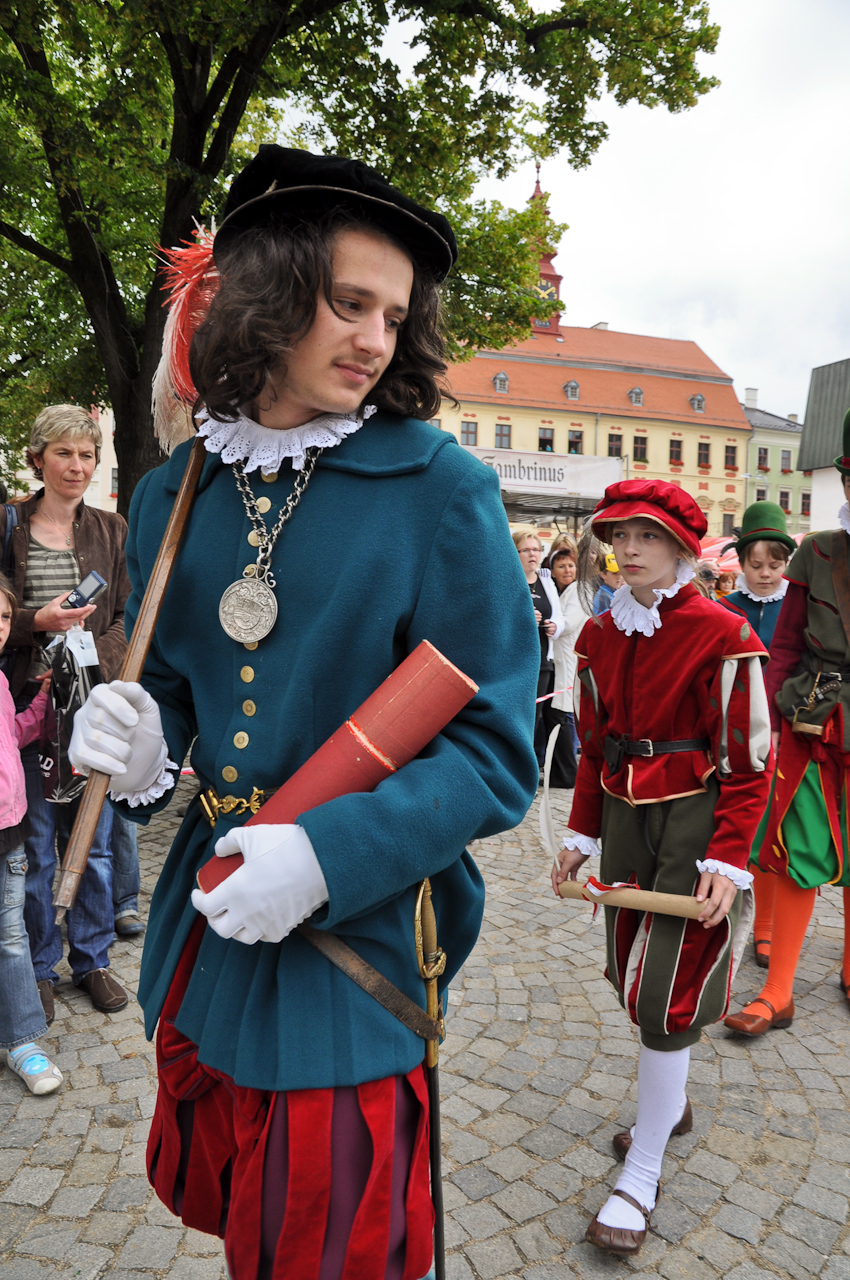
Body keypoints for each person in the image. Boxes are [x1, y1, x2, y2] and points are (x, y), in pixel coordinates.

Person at [69, 146, 539, 1280]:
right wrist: (142, 747)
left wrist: (329, 853)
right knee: (239, 1211)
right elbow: (174, 688)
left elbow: (493, 752)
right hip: (213, 917)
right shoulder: (173, 486)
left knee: (329, 1239)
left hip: (354, 936)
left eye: (394, 315)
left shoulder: (442, 489)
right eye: (348, 302)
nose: (375, 337)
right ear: (270, 293)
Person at [552, 478, 772, 1258]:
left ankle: (642, 1171)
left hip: (694, 824)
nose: (629, 549)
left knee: (666, 993)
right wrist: (581, 833)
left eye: (647, 535)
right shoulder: (599, 635)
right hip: (623, 819)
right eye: (620, 535)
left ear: (681, 547)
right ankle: (668, 1105)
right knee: (629, 971)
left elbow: (749, 763)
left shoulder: (723, 633)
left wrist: (729, 858)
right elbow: (593, 748)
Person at [0, 405, 130, 1020]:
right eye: (63, 453)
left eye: (86, 454)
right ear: (38, 459)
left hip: (90, 710)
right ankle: (39, 965)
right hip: (23, 711)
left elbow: (125, 616)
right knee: (36, 851)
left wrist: (91, 666)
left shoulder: (111, 528)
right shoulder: (7, 525)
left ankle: (93, 959)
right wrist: (37, 622)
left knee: (95, 845)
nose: (77, 466)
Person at [725, 418, 850, 1035]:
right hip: (814, 721)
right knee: (800, 846)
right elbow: (787, 648)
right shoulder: (818, 551)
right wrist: (770, 724)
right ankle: (778, 992)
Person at [0, 571, 63, 1095]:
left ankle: (23, 1040)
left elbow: (15, 733)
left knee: (11, 938)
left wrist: (41, 704)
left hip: (7, 834)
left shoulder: (1, 683)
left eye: (3, 616)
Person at [514, 530, 564, 768]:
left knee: (534, 718)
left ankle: (526, 768)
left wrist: (556, 626)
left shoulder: (546, 581)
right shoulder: (509, 580)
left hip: (542, 660)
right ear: (515, 553)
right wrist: (523, 620)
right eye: (526, 550)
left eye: (536, 549)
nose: (532, 555)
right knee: (517, 717)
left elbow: (560, 617)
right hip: (515, 661)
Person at [542, 537, 588, 787]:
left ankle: (568, 774)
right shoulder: (555, 591)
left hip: (568, 661)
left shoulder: (580, 590)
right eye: (561, 566)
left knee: (562, 717)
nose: (567, 570)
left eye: (570, 565)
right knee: (554, 716)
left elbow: (569, 622)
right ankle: (560, 773)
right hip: (556, 661)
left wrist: (549, 624)